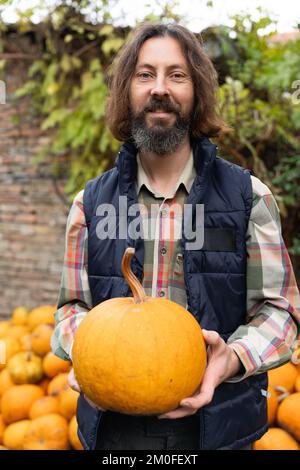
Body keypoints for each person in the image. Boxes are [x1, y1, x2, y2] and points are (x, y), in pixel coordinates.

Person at [51, 23, 300, 450]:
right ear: (126, 92)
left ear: (197, 91)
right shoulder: (89, 205)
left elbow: (280, 312)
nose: (159, 89)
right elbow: (73, 307)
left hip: (220, 428)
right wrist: (87, 351)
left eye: (177, 75)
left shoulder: (248, 198)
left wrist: (232, 359)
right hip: (116, 432)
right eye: (145, 74)